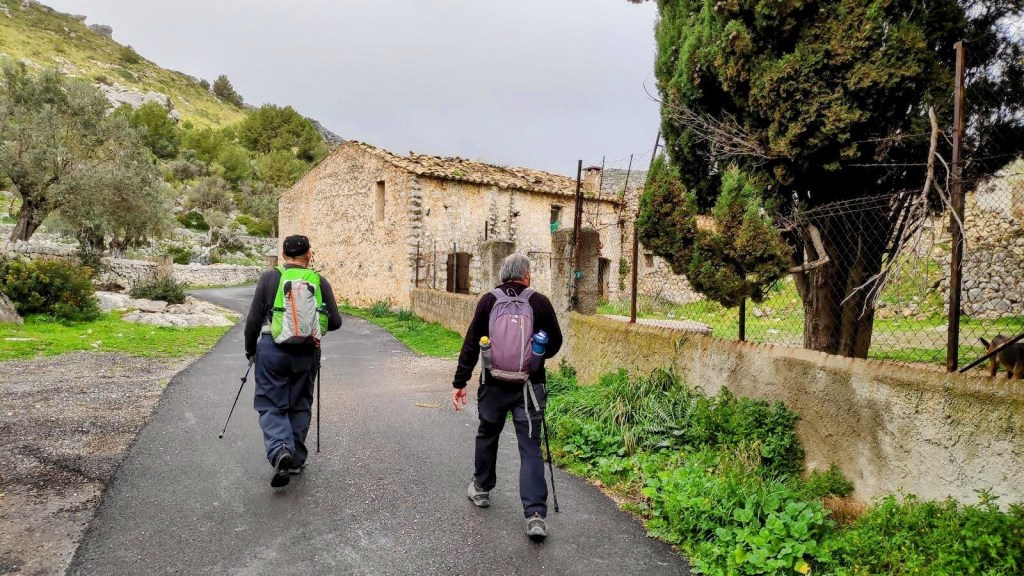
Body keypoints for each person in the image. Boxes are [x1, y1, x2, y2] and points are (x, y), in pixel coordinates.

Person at [452, 253, 563, 541]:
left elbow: (472, 342)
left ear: (503, 274)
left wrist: (460, 381)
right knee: (529, 447)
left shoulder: (489, 301)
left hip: (493, 385)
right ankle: (535, 515)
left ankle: (481, 489)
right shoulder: (539, 302)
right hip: (529, 388)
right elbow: (556, 341)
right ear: (526, 275)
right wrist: (532, 358)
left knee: (488, 434)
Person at [244, 235, 342, 488]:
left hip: (271, 349)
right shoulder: (318, 281)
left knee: (270, 403)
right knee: (300, 403)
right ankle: (296, 458)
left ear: (284, 254)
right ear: (309, 254)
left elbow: (254, 319)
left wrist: (250, 350)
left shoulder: (269, 277)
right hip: (307, 352)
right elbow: (336, 322)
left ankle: (279, 451)